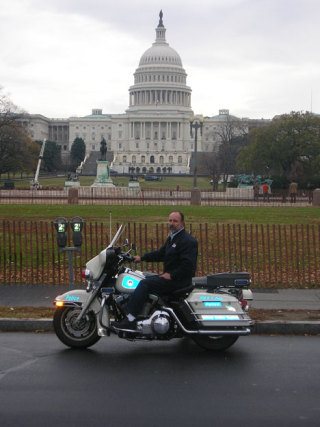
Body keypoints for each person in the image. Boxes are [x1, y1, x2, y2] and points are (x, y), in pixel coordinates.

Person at [113, 211, 198, 331]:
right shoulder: (173, 238)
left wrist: (172, 275)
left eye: (175, 221)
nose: (172, 223)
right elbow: (161, 254)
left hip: (178, 281)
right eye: (170, 220)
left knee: (144, 284)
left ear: (182, 223)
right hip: (172, 278)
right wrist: (141, 258)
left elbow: (189, 266)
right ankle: (143, 313)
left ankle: (130, 318)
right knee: (144, 279)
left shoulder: (187, 241)